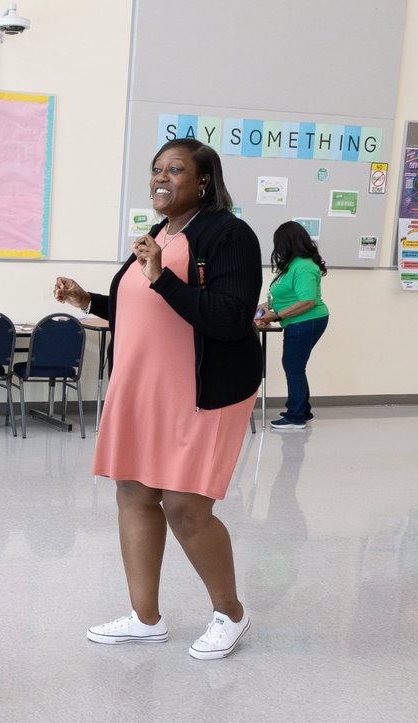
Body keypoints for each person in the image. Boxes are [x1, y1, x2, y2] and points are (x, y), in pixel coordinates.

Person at [53, 138, 261, 660]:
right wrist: (88, 300)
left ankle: (231, 613)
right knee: (136, 495)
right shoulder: (157, 235)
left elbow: (231, 318)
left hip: (201, 390)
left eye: (175, 169)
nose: (160, 178)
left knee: (186, 507)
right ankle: (145, 618)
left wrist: (163, 276)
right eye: (155, 170)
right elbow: (143, 309)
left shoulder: (230, 233)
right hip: (141, 387)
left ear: (204, 181)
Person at [255, 221, 330, 430]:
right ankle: (302, 410)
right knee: (295, 366)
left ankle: (295, 416)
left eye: (279, 243)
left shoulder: (304, 266)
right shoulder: (293, 265)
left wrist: (276, 316)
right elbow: (281, 298)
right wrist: (259, 310)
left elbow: (307, 302)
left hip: (307, 321)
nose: (277, 249)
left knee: (293, 366)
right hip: (299, 321)